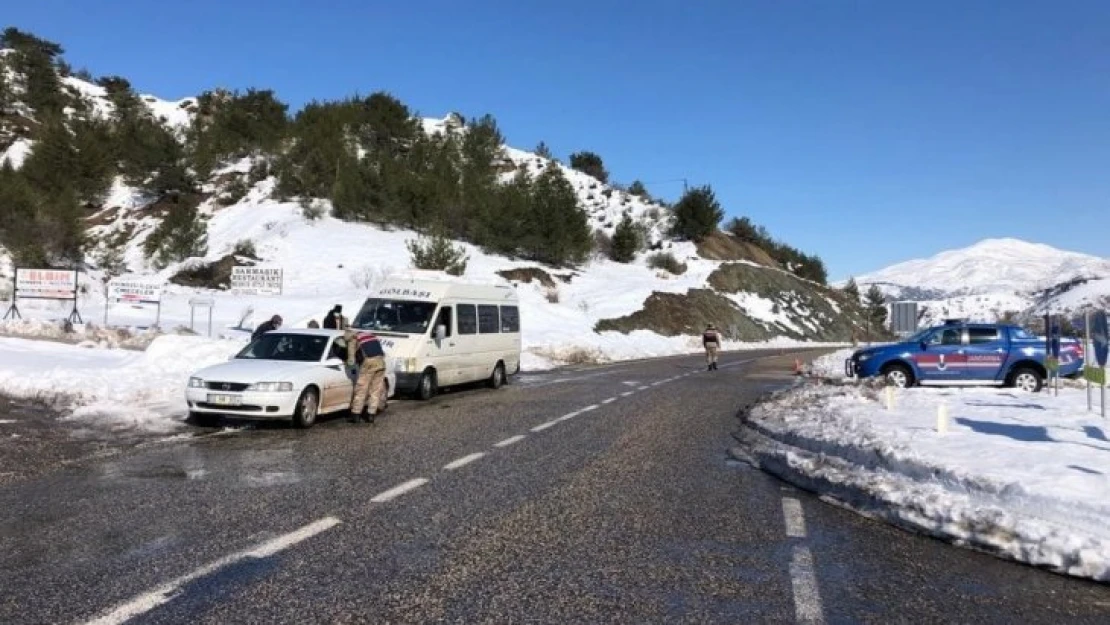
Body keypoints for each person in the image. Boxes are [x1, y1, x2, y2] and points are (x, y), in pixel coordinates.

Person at [345, 327, 387, 424]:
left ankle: (356, 415)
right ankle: (371, 415)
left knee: (361, 388)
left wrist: (349, 363)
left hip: (369, 362)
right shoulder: (371, 336)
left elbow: (351, 360)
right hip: (381, 362)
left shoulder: (353, 339)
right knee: (375, 390)